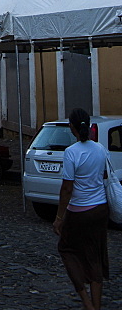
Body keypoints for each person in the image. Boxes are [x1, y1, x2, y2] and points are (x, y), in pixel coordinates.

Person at [53, 108, 109, 310]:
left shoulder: (71, 153)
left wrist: (59, 217)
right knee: (95, 256)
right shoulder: (100, 149)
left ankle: (86, 302)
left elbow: (67, 188)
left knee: (67, 249)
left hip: (80, 211)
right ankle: (97, 306)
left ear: (72, 128)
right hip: (100, 209)